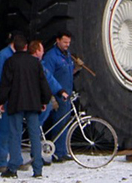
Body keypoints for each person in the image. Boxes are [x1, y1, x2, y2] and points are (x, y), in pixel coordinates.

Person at [0, 39, 53, 178]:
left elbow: (5, 84)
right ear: (26, 47)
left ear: (14, 47)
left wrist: (1, 101)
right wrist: (44, 100)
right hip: (33, 103)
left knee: (15, 135)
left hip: (16, 103)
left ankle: (13, 167)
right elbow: (43, 83)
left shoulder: (10, 62)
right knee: (35, 135)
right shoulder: (35, 62)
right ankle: (38, 169)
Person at [0, 31, 28, 173]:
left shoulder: (13, 56)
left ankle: (16, 160)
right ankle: (2, 162)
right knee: (3, 131)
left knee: (16, 131)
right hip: (4, 101)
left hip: (15, 101)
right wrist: (0, 99)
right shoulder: (3, 57)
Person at [41, 31, 77, 163]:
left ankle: (62, 151)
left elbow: (67, 73)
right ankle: (55, 152)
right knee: (58, 123)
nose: (67, 45)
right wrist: (52, 96)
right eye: (65, 42)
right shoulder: (51, 56)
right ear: (57, 40)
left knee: (64, 123)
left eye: (69, 42)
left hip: (66, 94)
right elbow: (46, 77)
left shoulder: (67, 55)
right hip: (58, 95)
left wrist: (76, 69)